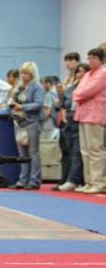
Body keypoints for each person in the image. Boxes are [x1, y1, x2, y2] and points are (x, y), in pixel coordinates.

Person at [72, 48, 106, 194]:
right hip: (83, 115)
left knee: (95, 150)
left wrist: (79, 94)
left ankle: (98, 182)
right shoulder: (87, 74)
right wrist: (80, 94)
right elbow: (77, 91)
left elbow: (87, 91)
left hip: (95, 115)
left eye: (94, 58)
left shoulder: (103, 73)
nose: (91, 60)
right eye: (89, 57)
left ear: (101, 59)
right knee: (84, 150)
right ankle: (89, 182)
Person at [8, 62, 44, 190]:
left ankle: (34, 181)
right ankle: (22, 180)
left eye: (26, 73)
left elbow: (39, 104)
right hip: (20, 123)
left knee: (33, 153)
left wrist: (22, 107)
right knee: (22, 154)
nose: (23, 76)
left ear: (32, 74)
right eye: (22, 73)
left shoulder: (37, 87)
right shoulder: (21, 87)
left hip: (32, 123)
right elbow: (14, 100)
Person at [56, 63, 88, 191]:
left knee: (77, 152)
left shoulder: (85, 88)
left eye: (82, 72)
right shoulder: (72, 87)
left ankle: (73, 180)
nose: (80, 74)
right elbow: (63, 103)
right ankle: (72, 179)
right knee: (68, 152)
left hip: (78, 121)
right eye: (78, 72)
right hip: (67, 123)